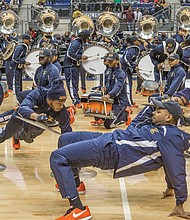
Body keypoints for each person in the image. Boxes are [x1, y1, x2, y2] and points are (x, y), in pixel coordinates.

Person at [50, 99, 190, 220]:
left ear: (169, 117)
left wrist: (180, 202)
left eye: (159, 111)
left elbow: (175, 168)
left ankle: (77, 209)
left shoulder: (171, 137)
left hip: (111, 151)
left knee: (58, 157)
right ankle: (75, 185)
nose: (154, 112)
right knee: (65, 139)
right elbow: (135, 125)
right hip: (110, 139)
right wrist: (170, 187)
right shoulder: (159, 129)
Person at [0, 79, 72, 149]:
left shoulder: (61, 110)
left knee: (28, 139)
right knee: (3, 136)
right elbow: (22, 108)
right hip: (21, 117)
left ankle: (16, 136)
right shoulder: (38, 93)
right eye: (59, 103)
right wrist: (37, 116)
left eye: (63, 103)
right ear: (50, 100)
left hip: (38, 123)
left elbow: (67, 133)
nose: (61, 106)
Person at [90, 52, 130, 128]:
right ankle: (107, 116)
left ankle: (124, 115)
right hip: (109, 101)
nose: (109, 62)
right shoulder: (108, 71)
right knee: (97, 112)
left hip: (118, 102)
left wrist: (109, 94)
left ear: (117, 61)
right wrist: (101, 88)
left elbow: (118, 87)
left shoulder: (121, 73)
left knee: (108, 125)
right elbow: (106, 84)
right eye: (108, 60)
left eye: (112, 61)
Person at [63, 30, 90, 108]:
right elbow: (69, 53)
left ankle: (77, 99)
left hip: (74, 65)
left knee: (75, 84)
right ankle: (75, 101)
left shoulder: (80, 43)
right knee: (71, 84)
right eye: (88, 37)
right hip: (70, 66)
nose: (89, 39)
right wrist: (80, 57)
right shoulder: (76, 43)